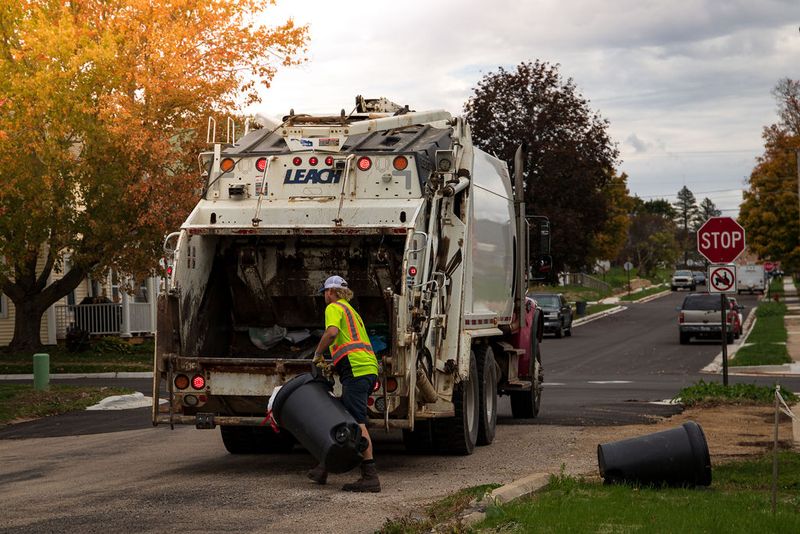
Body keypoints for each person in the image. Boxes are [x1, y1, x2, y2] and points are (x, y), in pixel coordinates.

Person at [307, 275, 381, 493]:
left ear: (331, 292)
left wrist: (317, 354)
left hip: (356, 369)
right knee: (345, 419)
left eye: (324, 293)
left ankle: (370, 476)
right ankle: (324, 467)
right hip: (366, 368)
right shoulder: (352, 311)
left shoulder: (334, 307)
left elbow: (332, 333)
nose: (324, 297)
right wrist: (336, 366)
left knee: (356, 422)